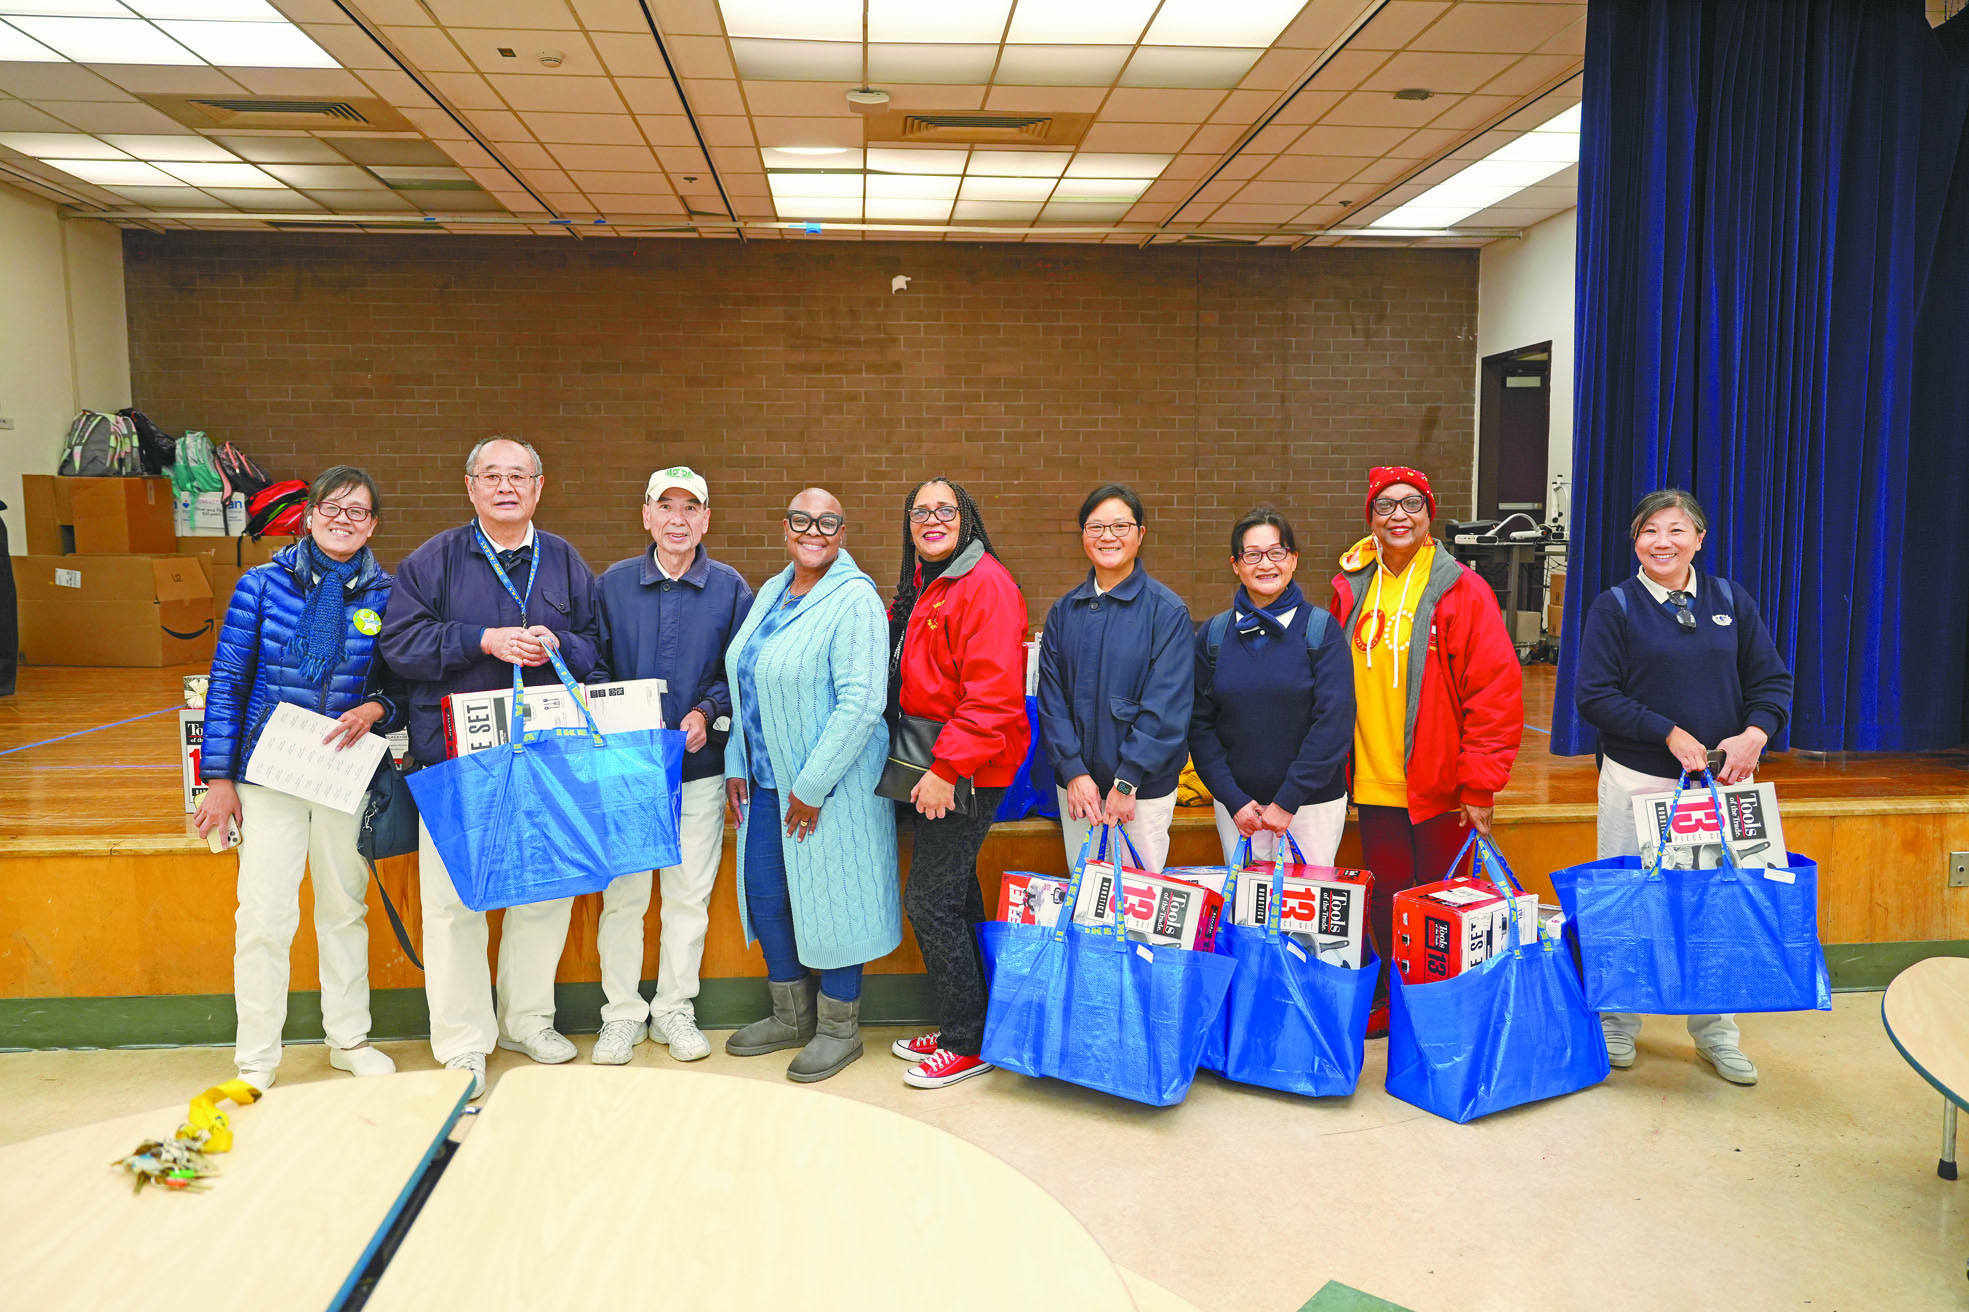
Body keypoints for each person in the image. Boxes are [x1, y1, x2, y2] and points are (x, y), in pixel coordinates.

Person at [379, 437, 601, 1099]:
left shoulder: (563, 560)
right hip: (457, 760)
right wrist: (479, 640)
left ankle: (526, 1021)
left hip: (545, 758)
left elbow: (597, 648)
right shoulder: (432, 561)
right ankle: (462, 1041)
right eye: (491, 476)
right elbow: (398, 646)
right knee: (453, 908)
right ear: (471, 486)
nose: (506, 487)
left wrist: (561, 642)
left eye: (518, 477)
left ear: (538, 487)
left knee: (545, 895)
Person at [195, 466, 406, 1092]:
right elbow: (229, 683)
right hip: (269, 774)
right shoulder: (261, 584)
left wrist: (376, 709)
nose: (344, 520)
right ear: (309, 514)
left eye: (358, 512)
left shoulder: (388, 595)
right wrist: (220, 777)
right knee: (264, 916)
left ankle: (349, 1037)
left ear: (373, 525)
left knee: (344, 908)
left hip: (343, 773)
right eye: (332, 508)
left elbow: (399, 686)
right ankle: (256, 1058)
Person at [1574, 488, 1793, 1086]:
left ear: (1699, 538)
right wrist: (1666, 732)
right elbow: (1594, 695)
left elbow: (1772, 681)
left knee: (1713, 904)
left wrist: (1754, 735)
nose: (1661, 542)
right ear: (1635, 541)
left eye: (1676, 531)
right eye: (1649, 531)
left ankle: (1716, 1032)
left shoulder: (1730, 599)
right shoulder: (1615, 607)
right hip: (1640, 780)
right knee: (1628, 900)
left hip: (1721, 784)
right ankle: (1617, 1023)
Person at [1329, 467, 1522, 1025]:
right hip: (1372, 776)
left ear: (1429, 513)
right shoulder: (1353, 584)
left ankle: (1448, 1003)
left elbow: (1495, 691)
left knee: (1444, 898)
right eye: (1385, 506)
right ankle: (1396, 999)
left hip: (1440, 784)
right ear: (1370, 517)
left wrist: (1480, 782)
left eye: (1411, 504)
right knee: (1389, 895)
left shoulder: (1462, 588)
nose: (1399, 516)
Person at [723, 489, 898, 1083]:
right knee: (769, 900)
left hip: (828, 791)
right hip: (766, 784)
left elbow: (861, 704)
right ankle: (790, 1014)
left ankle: (838, 1029)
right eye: (802, 519)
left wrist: (812, 786)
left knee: (834, 904)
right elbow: (743, 680)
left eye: (827, 522)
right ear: (786, 526)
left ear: (842, 533)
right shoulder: (772, 591)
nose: (813, 530)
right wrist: (733, 762)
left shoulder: (856, 600)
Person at [589, 467, 753, 1065]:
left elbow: (742, 676)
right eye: (666, 506)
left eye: (692, 507)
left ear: (706, 519)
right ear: (647, 515)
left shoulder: (732, 589)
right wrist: (619, 712)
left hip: (699, 770)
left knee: (688, 896)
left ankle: (675, 1010)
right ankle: (621, 1016)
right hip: (628, 773)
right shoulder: (611, 586)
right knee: (626, 898)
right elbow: (593, 665)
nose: (678, 519)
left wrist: (707, 712)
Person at [883, 478, 1031, 1090]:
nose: (932, 519)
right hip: (933, 759)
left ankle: (967, 1041)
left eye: (945, 510)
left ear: (966, 517)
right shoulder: (927, 583)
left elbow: (994, 696)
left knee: (929, 901)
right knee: (958, 894)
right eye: (921, 511)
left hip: (965, 767)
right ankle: (968, 1022)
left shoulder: (985, 583)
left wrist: (947, 770)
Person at [1037, 483, 1193, 873]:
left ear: (1140, 534)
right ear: (1084, 536)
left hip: (1142, 793)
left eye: (1120, 526)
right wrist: (1073, 772)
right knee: (1085, 903)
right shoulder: (1064, 611)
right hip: (1079, 791)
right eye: (1096, 527)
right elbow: (1051, 699)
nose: (1108, 537)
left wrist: (1127, 782)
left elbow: (1167, 704)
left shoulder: (1167, 611)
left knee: (1138, 906)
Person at [1189, 507, 1354, 866]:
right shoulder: (1214, 636)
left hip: (1310, 808)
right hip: (1238, 812)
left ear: (1293, 559)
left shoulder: (1320, 630)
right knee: (1245, 917)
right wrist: (1232, 799)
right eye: (1253, 555)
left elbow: (1334, 724)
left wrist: (1286, 801)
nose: (1265, 564)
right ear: (1236, 564)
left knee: (1303, 919)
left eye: (1276, 552)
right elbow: (1199, 726)